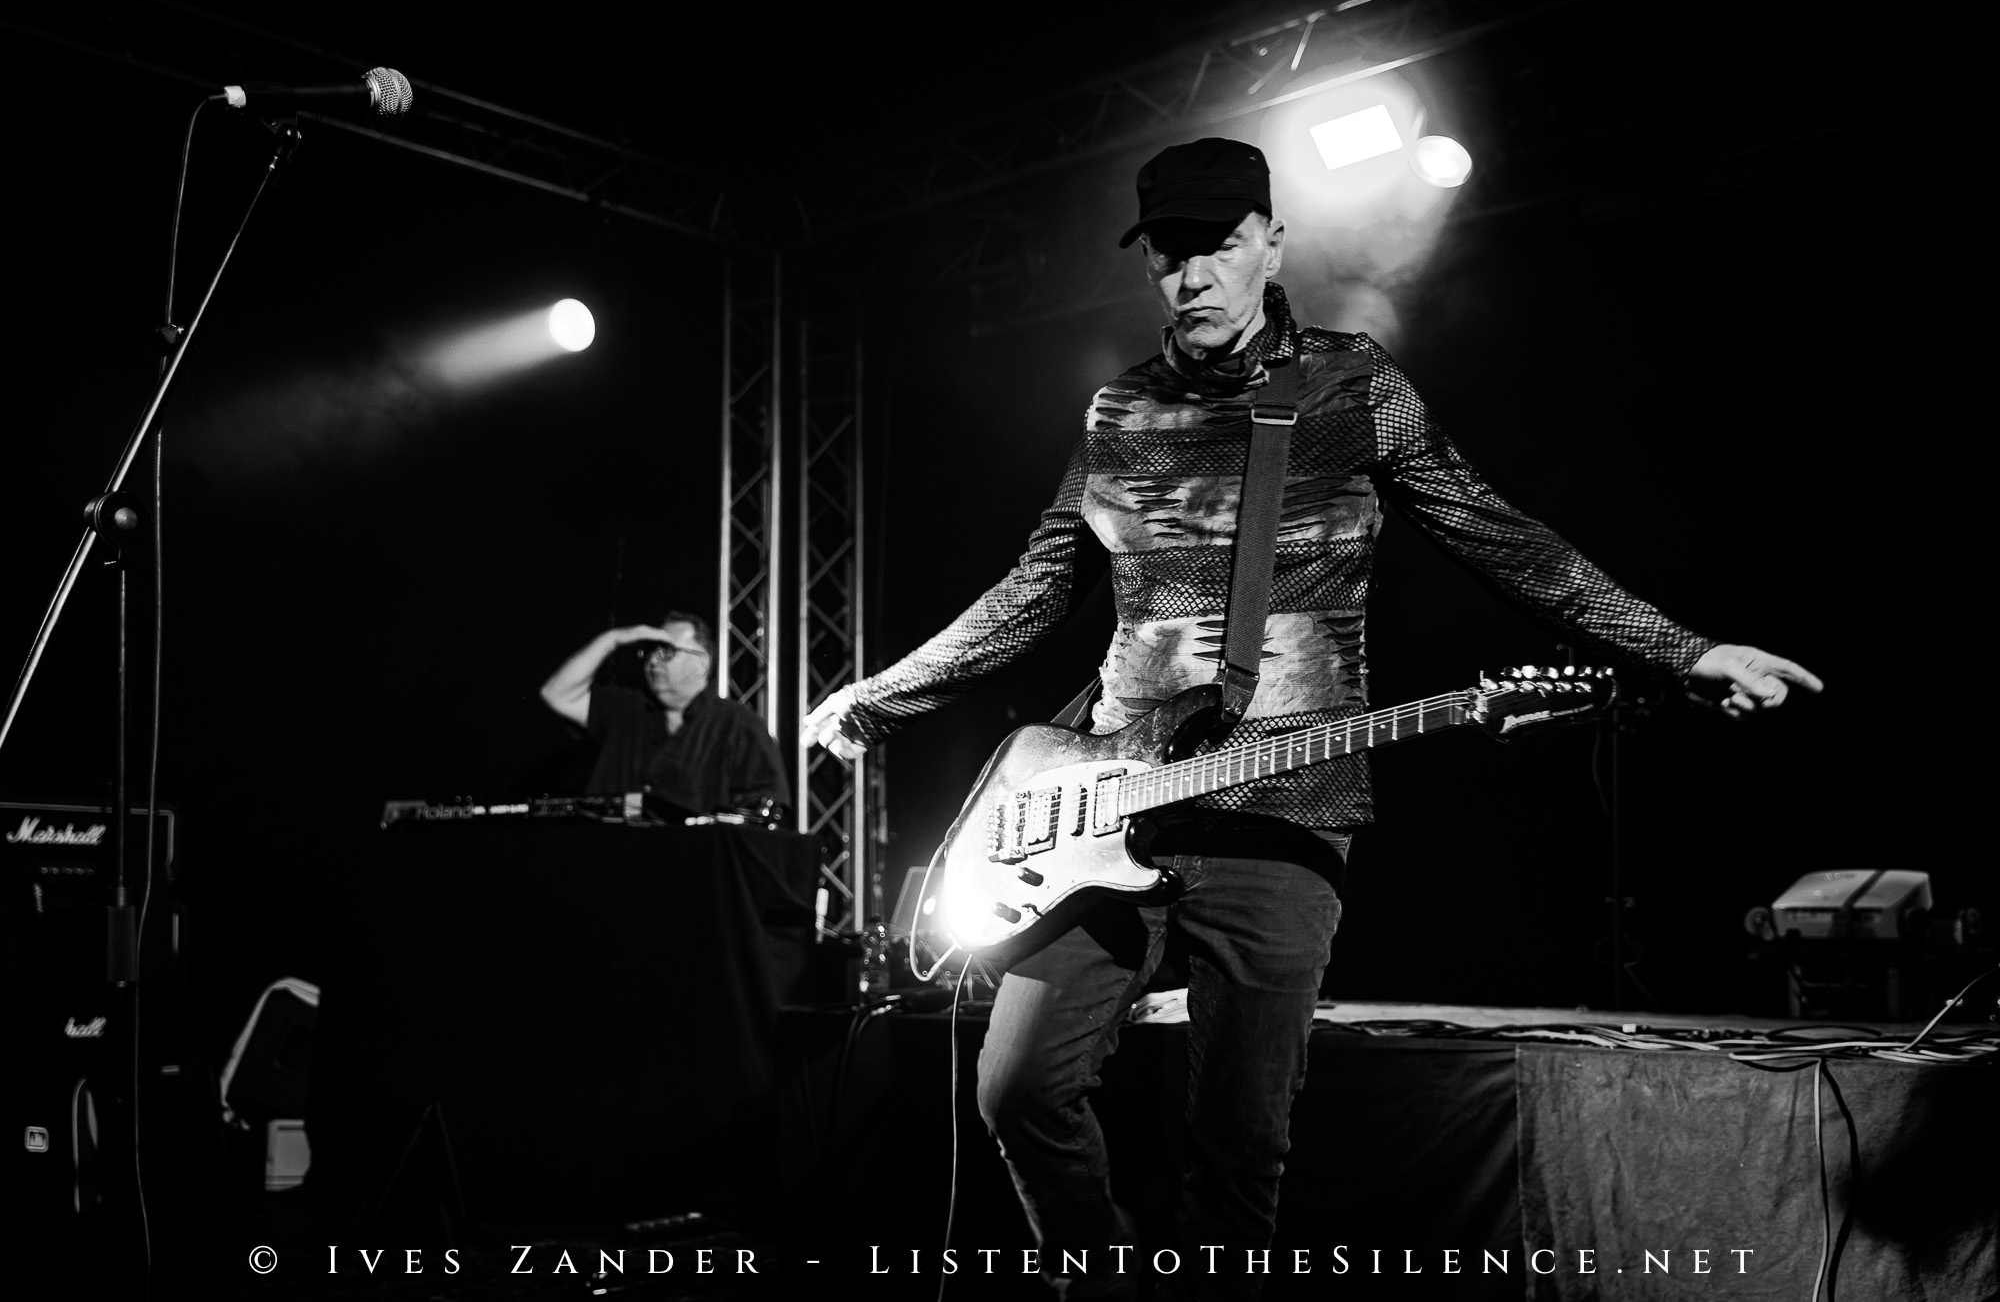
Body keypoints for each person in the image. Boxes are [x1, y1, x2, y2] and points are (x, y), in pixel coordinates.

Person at [803, 138, 1821, 1300]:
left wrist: (1680, 649)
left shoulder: (1350, 387)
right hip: (1104, 806)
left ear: (1269, 244)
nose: (1192, 276)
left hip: (1281, 815)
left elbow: (1507, 540)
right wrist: (882, 691)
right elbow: (1034, 586)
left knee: (1238, 1145)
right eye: (1169, 254)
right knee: (1014, 1087)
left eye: (1218, 247)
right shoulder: (1118, 412)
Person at [541, 610, 788, 817]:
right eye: (650, 650)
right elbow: (556, 694)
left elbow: (764, 809)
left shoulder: (737, 724)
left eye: (667, 650)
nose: (653, 660)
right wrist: (614, 639)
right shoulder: (626, 709)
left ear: (702, 662)